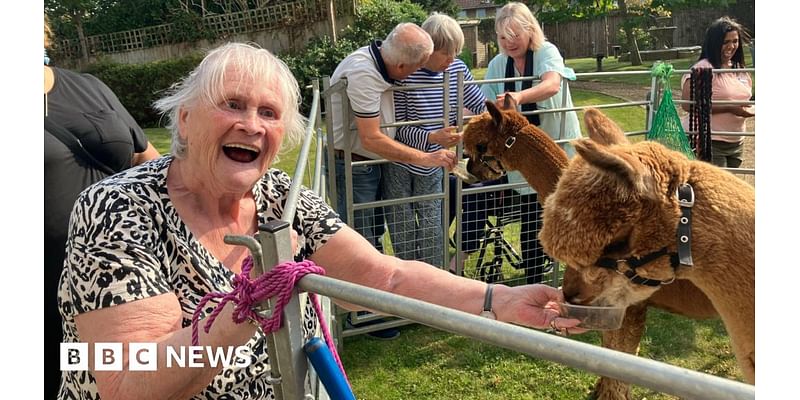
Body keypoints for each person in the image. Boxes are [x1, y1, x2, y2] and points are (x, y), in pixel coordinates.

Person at [56, 42, 581, 399]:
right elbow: (127, 381)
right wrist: (249, 308)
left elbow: (384, 277)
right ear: (186, 120)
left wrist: (497, 299)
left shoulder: (282, 200)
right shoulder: (118, 209)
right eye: (232, 104)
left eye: (269, 113)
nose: (251, 125)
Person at [43, 18, 160, 399]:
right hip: (48, 293)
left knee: (137, 378)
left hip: (134, 277)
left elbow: (148, 161)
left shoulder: (89, 88)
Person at [329, 22, 457, 339]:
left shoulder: (377, 63)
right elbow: (371, 138)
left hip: (367, 163)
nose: (415, 75)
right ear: (400, 64)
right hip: (354, 164)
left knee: (373, 232)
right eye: (414, 69)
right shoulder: (363, 74)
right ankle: (366, 316)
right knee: (361, 238)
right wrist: (425, 156)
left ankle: (376, 308)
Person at [480, 2, 581, 284]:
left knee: (565, 212)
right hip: (523, 156)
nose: (509, 42)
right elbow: (482, 103)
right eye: (502, 37)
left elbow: (551, 85)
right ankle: (534, 280)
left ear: (530, 31)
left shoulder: (547, 52)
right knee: (531, 216)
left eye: (515, 35)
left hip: (556, 146)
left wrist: (519, 99)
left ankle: (578, 272)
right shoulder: (498, 65)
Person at [385, 13, 486, 267]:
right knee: (402, 224)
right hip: (400, 161)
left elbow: (478, 103)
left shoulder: (457, 70)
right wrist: (431, 136)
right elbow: (396, 129)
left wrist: (498, 115)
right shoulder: (406, 74)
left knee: (433, 223)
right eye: (445, 53)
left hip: (435, 163)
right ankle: (407, 282)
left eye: (456, 52)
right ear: (427, 50)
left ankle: (434, 281)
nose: (451, 59)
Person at [680, 16, 754, 168]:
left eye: (735, 41)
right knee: (715, 189)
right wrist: (729, 108)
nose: (731, 46)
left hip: (736, 142)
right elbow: (688, 105)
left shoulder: (740, 69)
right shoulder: (703, 68)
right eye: (725, 42)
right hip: (708, 141)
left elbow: (745, 98)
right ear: (714, 43)